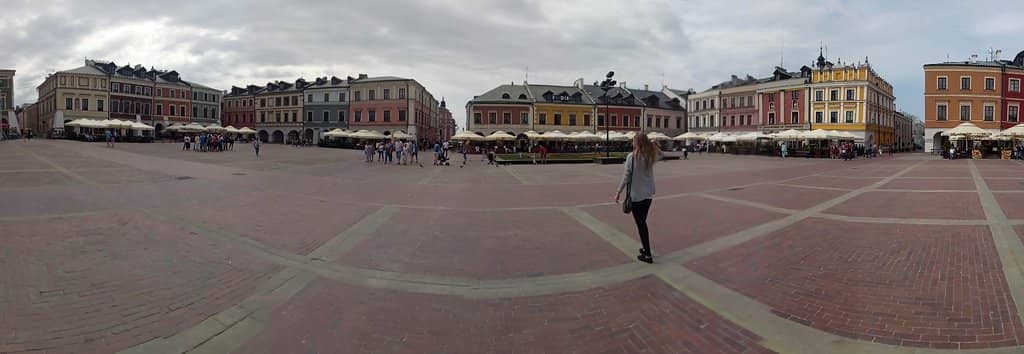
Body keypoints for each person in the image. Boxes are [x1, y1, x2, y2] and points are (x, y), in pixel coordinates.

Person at [615, 134, 660, 264]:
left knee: (641, 225)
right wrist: (653, 144)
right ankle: (645, 248)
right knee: (642, 222)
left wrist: (618, 191)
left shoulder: (632, 157)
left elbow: (626, 176)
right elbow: (661, 154)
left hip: (636, 197)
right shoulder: (650, 155)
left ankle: (647, 254)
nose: (632, 143)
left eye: (633, 141)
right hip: (648, 196)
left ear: (637, 143)